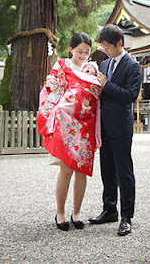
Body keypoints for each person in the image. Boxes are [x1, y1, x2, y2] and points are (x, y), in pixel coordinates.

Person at [37, 33, 102, 231]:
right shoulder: (62, 65)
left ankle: (77, 212)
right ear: (71, 49)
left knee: (82, 171)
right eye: (79, 51)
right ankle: (60, 213)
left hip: (85, 124)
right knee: (66, 170)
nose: (83, 55)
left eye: (87, 52)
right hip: (66, 124)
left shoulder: (92, 70)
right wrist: (57, 86)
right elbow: (50, 89)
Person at [89, 24, 142, 236]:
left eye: (108, 47)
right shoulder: (105, 64)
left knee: (124, 172)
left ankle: (126, 216)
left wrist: (106, 84)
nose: (105, 51)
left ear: (120, 43)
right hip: (104, 126)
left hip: (121, 126)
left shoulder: (133, 66)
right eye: (103, 47)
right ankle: (109, 209)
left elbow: (131, 95)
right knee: (107, 171)